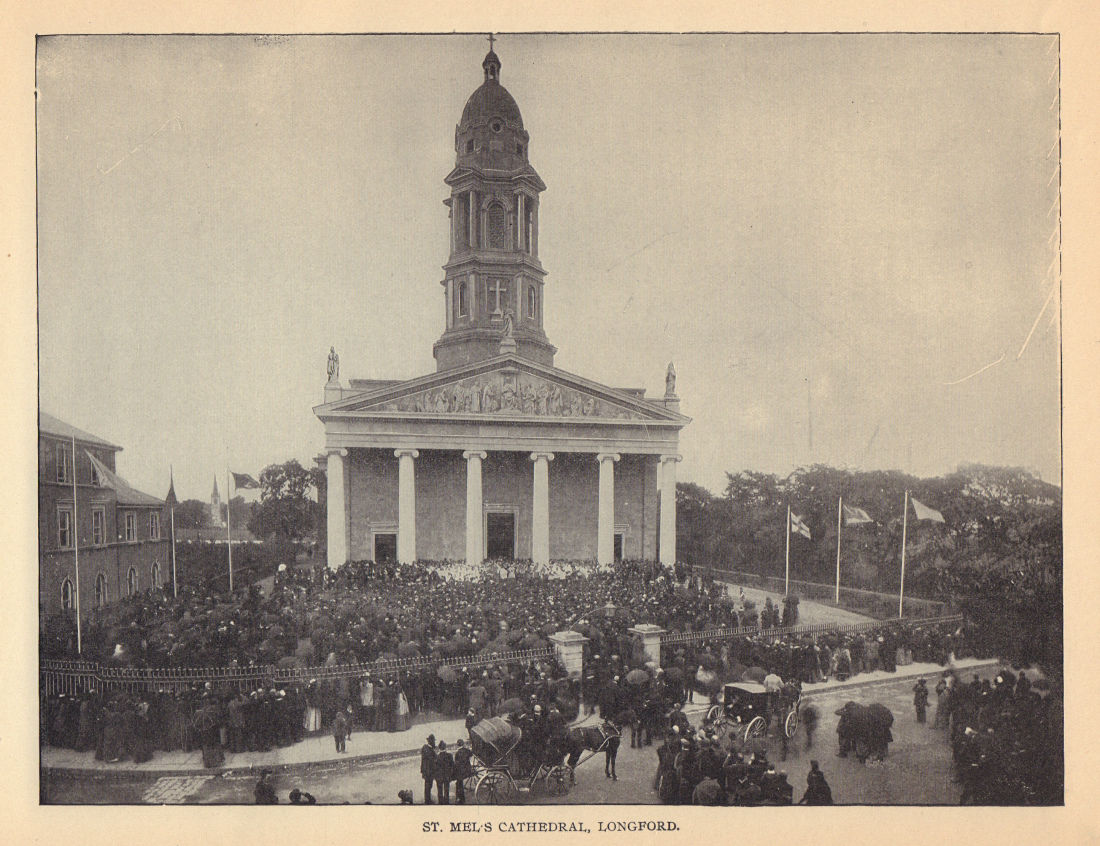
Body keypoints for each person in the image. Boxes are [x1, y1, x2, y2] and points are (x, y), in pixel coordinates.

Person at [433, 740, 455, 805]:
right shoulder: (449, 756)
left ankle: (440, 802)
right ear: (445, 747)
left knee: (439, 790)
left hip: (439, 777)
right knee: (446, 790)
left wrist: (435, 776)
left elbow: (434, 768)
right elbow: (452, 765)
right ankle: (446, 802)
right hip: (446, 776)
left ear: (439, 748)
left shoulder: (436, 757)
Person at [453, 739, 473, 805]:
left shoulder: (457, 753)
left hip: (462, 772)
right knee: (459, 782)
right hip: (468, 770)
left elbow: (456, 763)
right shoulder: (467, 750)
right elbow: (471, 754)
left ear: (458, 745)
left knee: (458, 782)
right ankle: (461, 798)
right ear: (463, 744)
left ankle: (460, 798)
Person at [420, 734, 437, 804]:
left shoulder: (424, 747)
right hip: (429, 772)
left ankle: (427, 798)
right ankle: (427, 800)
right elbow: (433, 761)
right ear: (432, 742)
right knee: (428, 786)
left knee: (426, 785)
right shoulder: (431, 751)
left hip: (424, 770)